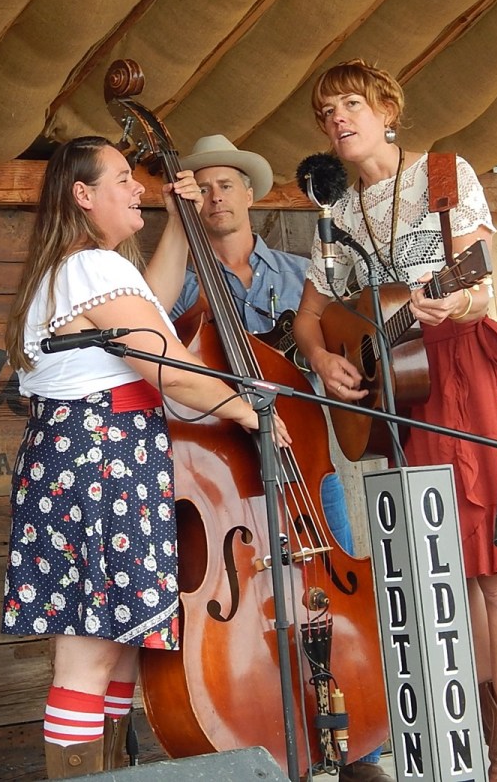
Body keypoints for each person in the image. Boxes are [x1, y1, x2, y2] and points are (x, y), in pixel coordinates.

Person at [292, 58, 497, 782]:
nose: (340, 119)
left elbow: (479, 285)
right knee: (452, 573)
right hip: (402, 393)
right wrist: (326, 362)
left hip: (466, 374)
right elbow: (309, 322)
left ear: (387, 109)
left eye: (353, 104)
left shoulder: (445, 175)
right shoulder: (335, 216)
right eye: (328, 112)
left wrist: (451, 301)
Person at [1, 136, 289, 778]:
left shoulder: (89, 270)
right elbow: (170, 366)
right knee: (90, 656)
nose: (137, 189)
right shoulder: (90, 269)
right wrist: (248, 408)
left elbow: (150, 305)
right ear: (83, 194)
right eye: (124, 178)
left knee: (117, 654)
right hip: (100, 460)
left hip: (93, 459)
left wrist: (179, 224)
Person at [168, 133, 392, 781]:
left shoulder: (302, 276)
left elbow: (348, 347)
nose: (215, 197)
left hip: (307, 462)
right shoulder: (182, 293)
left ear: (248, 193)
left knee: (333, 592)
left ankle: (361, 747)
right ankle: (267, 740)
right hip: (226, 476)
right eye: (203, 187)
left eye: (226, 185)